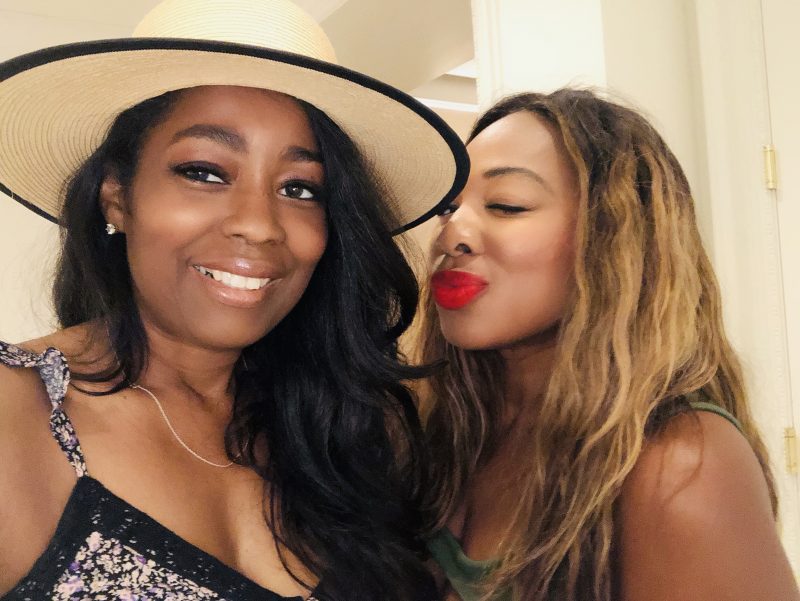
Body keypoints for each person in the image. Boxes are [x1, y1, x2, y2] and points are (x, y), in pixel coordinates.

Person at [0, 1, 467, 600]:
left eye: (300, 189)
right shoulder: (17, 412)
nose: (259, 225)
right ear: (117, 195)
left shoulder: (350, 428)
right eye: (205, 172)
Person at [418, 89, 799, 600]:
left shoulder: (679, 464)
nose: (451, 236)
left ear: (612, 239)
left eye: (506, 205)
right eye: (448, 209)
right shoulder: (445, 432)